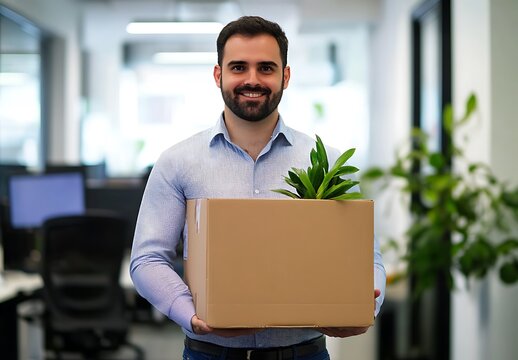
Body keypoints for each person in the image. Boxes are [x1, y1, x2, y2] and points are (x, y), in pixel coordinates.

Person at [130, 15, 386, 360]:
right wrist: (191, 315)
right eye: (239, 67)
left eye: (266, 68)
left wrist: (364, 306)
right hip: (210, 353)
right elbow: (147, 259)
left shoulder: (328, 165)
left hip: (304, 353)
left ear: (286, 75)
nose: (252, 79)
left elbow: (367, 260)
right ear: (218, 75)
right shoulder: (177, 162)